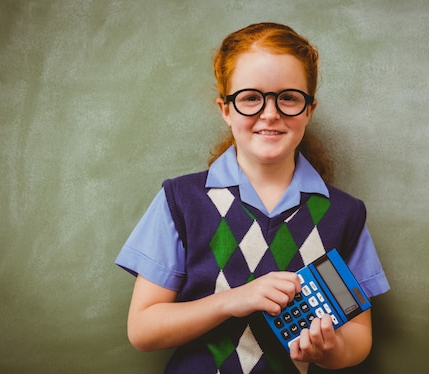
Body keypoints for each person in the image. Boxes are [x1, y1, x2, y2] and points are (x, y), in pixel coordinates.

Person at [115, 22, 390, 373]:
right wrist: (233, 300)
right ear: (225, 109)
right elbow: (143, 330)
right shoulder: (180, 201)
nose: (270, 113)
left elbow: (359, 338)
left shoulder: (344, 215)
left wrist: (329, 349)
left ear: (309, 109)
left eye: (288, 97)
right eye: (250, 98)